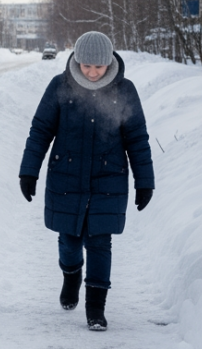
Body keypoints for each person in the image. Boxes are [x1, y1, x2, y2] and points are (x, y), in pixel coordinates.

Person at [17, 31, 154, 331]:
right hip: (66, 177)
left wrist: (145, 181)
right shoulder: (60, 87)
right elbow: (40, 131)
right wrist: (29, 170)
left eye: (99, 67)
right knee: (68, 239)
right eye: (86, 66)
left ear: (109, 63)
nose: (92, 73)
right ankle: (71, 274)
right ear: (77, 62)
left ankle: (96, 309)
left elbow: (138, 139)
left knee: (100, 243)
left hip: (109, 180)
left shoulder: (124, 91)